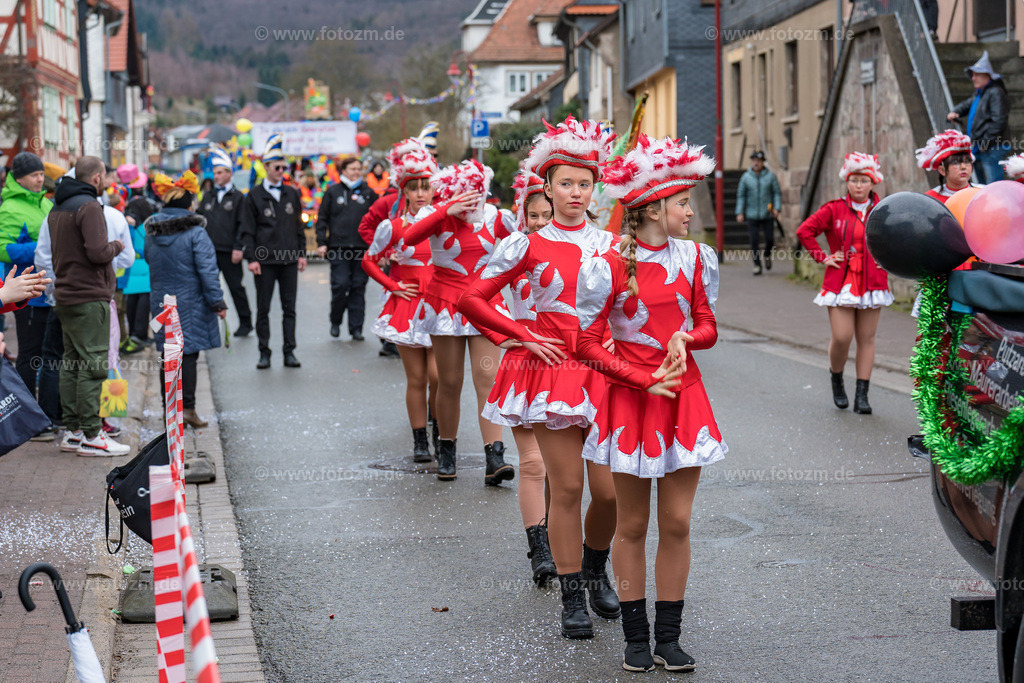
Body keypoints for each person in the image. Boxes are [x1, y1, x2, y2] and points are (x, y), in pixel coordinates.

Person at [459, 116, 621, 638]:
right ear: (546, 188)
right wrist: (519, 334)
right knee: (567, 487)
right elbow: (471, 298)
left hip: (606, 374)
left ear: (594, 188)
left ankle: (595, 569)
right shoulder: (524, 245)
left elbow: (636, 310)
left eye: (584, 183)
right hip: (552, 373)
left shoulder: (615, 244)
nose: (575, 193)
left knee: (610, 493)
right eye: (565, 183)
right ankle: (572, 596)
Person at [577, 134, 725, 673]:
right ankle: (635, 637)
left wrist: (687, 338)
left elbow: (708, 325)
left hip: (684, 399)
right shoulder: (608, 264)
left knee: (678, 522)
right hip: (632, 403)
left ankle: (669, 637)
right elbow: (586, 344)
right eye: (684, 202)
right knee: (634, 524)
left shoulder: (697, 257)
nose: (691, 211)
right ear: (655, 208)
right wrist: (642, 379)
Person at [403, 157, 513, 485]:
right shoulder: (436, 215)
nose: (471, 198)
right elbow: (409, 238)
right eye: (464, 191)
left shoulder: (496, 217)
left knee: (487, 377)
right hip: (446, 306)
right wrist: (444, 210)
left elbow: (524, 250)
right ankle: (447, 448)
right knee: (449, 382)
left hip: (485, 305)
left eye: (477, 191)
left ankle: (494, 456)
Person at [481, 171, 557, 586]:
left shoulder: (585, 248)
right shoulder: (515, 249)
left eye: (547, 215)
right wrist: (504, 334)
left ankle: (564, 542)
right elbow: (479, 295)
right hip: (525, 364)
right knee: (533, 462)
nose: (541, 223)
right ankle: (540, 550)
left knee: (563, 470)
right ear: (522, 217)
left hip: (567, 364)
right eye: (534, 216)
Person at [361, 138, 439, 461]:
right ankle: (420, 440)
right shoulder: (391, 227)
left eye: (426, 187)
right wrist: (392, 285)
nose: (421, 193)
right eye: (414, 188)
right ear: (404, 191)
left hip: (439, 306)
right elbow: (368, 260)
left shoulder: (444, 224)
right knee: (417, 378)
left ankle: (440, 432)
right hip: (406, 306)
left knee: (439, 377)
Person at [797, 152, 892, 415]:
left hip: (872, 281)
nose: (859, 185)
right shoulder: (834, 208)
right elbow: (804, 231)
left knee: (867, 339)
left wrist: (890, 261)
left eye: (864, 180)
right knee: (842, 337)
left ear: (873, 182)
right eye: (854, 180)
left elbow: (898, 238)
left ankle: (862, 395)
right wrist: (823, 257)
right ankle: (837, 378)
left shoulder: (884, 209)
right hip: (841, 281)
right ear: (847, 181)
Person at [48, 156, 129, 456]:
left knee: (71, 364)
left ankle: (73, 432)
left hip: (65, 295)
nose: (107, 181)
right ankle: (93, 435)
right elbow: (98, 252)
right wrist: (117, 245)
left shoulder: (58, 206)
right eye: (105, 176)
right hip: (89, 297)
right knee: (94, 366)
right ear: (96, 178)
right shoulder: (90, 206)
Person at [146, 172, 228, 429]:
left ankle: (168, 410)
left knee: (169, 354)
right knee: (189, 353)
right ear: (189, 206)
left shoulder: (151, 232)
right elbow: (208, 271)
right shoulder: (196, 233)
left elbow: (148, 260)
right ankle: (188, 410)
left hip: (162, 302)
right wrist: (217, 302)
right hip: (190, 302)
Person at [0, 151, 57, 439]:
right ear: (19, 178)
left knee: (48, 354)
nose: (39, 180)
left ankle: (46, 413)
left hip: (48, 289)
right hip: (24, 292)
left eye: (41, 174)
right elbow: (3, 249)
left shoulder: (46, 202)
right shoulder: (9, 207)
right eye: (34, 175)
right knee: (29, 353)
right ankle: (27, 418)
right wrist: (42, 246)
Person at [238, 134, 308, 369]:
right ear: (266, 167)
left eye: (283, 167)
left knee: (290, 309)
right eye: (276, 167)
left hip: (288, 260)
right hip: (264, 261)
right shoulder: (254, 195)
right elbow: (247, 229)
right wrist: (251, 258)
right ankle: (264, 352)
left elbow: (298, 226)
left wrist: (301, 254)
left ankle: (289, 351)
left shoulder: (292, 193)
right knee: (264, 309)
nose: (280, 171)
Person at [197, 147, 253, 338]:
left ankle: (246, 322)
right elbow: (200, 220)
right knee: (207, 287)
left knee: (235, 287)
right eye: (215, 173)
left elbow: (243, 224)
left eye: (220, 172)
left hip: (229, 251)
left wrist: (238, 247)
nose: (217, 176)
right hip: (209, 251)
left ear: (229, 174)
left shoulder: (238, 198)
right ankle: (206, 325)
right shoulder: (209, 196)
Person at [317, 157, 373, 340]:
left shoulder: (368, 193)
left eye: (359, 168)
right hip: (338, 248)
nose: (357, 172)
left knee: (358, 287)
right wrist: (321, 242)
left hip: (362, 249)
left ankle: (356, 328)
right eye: (352, 168)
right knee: (340, 285)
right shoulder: (333, 192)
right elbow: (322, 218)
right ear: (343, 170)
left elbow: (377, 221)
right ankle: (335, 320)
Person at [947, 51, 1010, 184]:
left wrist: (985, 141)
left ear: (986, 76)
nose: (973, 78)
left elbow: (999, 121)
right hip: (981, 146)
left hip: (992, 146)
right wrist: (956, 112)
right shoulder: (981, 93)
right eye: (973, 75)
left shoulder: (995, 92)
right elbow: (967, 104)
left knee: (993, 185)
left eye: (976, 75)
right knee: (978, 185)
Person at [734, 150, 781, 275]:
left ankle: (767, 254)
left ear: (763, 162)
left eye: (759, 161)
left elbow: (776, 193)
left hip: (767, 213)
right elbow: (741, 195)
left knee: (770, 239)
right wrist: (740, 212)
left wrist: (777, 208)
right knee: (754, 240)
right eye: (754, 160)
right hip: (752, 214)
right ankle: (757, 265)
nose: (756, 163)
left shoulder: (770, 177)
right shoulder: (746, 177)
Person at [916, 129, 978, 203]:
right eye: (955, 163)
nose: (963, 167)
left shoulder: (982, 192)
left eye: (967, 162)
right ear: (942, 170)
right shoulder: (931, 199)